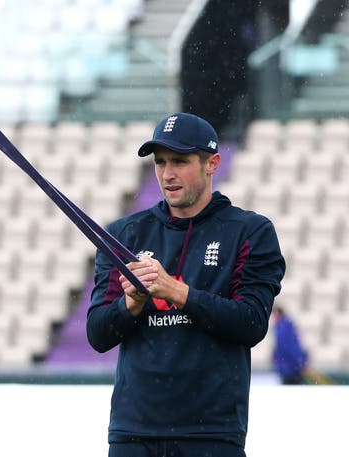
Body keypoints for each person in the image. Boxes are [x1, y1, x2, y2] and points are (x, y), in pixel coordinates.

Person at [87, 113, 286, 457]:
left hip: (211, 433)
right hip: (133, 433)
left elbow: (251, 323)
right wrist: (129, 306)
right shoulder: (124, 234)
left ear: (212, 163)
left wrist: (176, 291)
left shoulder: (250, 231)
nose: (167, 174)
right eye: (160, 162)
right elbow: (98, 335)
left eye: (180, 161)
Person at [272, 306, 309, 384]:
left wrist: (299, 363)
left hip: (290, 369)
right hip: (289, 368)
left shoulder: (283, 327)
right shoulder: (284, 326)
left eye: (274, 314)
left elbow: (289, 347)